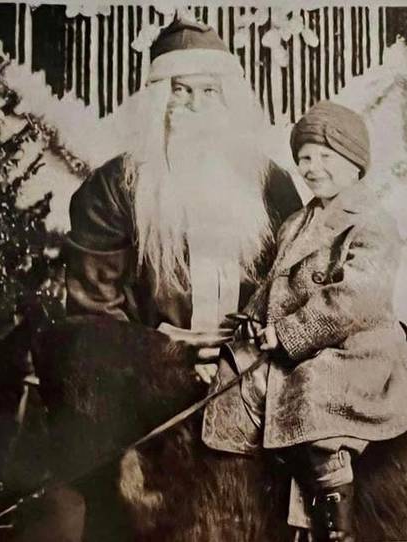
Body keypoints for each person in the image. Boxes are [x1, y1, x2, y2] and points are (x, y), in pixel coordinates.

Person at [59, 16, 302, 542]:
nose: (194, 104)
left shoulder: (273, 187)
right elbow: (89, 317)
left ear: (229, 100)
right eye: (179, 91)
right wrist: (164, 357)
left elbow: (295, 287)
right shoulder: (112, 190)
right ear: (156, 103)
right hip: (149, 405)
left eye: (209, 91)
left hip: (253, 387)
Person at [203, 101, 407, 542]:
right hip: (294, 343)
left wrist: (289, 333)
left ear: (355, 165)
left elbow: (356, 299)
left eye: (326, 157)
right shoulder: (296, 222)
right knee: (235, 380)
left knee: (315, 392)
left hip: (358, 345)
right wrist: (255, 324)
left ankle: (337, 526)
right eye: (305, 158)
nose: (313, 168)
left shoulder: (372, 222)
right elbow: (275, 286)